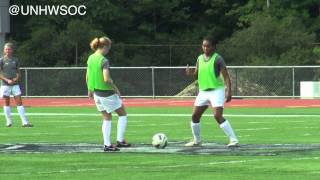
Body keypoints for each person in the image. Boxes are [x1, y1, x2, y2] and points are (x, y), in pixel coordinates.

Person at [185, 36, 239, 147]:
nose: (205, 48)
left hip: (216, 91)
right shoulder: (199, 58)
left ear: (214, 47)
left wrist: (229, 91)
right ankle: (197, 141)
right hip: (203, 92)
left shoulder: (218, 59)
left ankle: (234, 140)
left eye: (208, 46)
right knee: (195, 116)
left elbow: (226, 77)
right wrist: (190, 73)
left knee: (217, 116)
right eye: (203, 46)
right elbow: (196, 75)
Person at [86, 36, 130, 152]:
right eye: (108, 48)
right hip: (106, 93)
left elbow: (87, 75)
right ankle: (120, 141)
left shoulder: (91, 58)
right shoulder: (103, 60)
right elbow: (106, 78)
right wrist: (116, 89)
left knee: (106, 118)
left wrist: (90, 90)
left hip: (96, 93)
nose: (108, 50)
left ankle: (107, 145)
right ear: (105, 47)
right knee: (123, 114)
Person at [0, 42, 32, 127]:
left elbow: (18, 72)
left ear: (12, 50)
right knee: (7, 103)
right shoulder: (1, 60)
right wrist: (7, 80)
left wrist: (16, 79)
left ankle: (25, 122)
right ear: (4, 50)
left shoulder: (16, 60)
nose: (7, 50)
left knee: (19, 102)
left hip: (15, 84)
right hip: (5, 85)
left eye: (9, 49)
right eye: (6, 49)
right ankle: (9, 122)